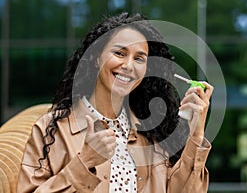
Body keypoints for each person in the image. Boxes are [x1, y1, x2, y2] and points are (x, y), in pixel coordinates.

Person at [17, 12, 213, 193]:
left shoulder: (152, 137)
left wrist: (196, 134)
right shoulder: (51, 130)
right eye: (119, 53)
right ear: (95, 57)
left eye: (139, 58)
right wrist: (85, 162)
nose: (128, 66)